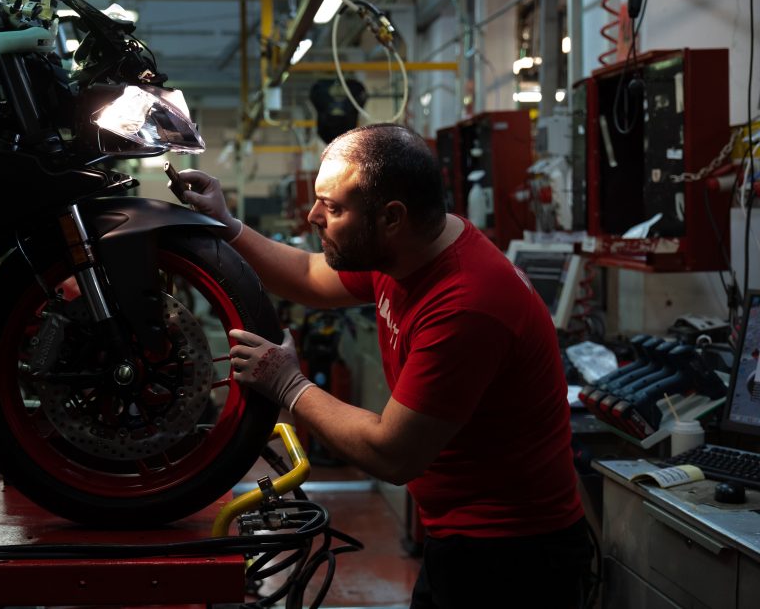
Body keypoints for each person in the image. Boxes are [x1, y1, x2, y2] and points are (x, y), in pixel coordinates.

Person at [175, 123, 593, 609]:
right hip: (461, 538)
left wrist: (287, 384)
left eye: (331, 208)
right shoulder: (409, 250)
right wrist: (228, 224)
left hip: (513, 559)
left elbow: (392, 454)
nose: (313, 216)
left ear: (392, 217)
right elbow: (312, 277)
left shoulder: (465, 303)